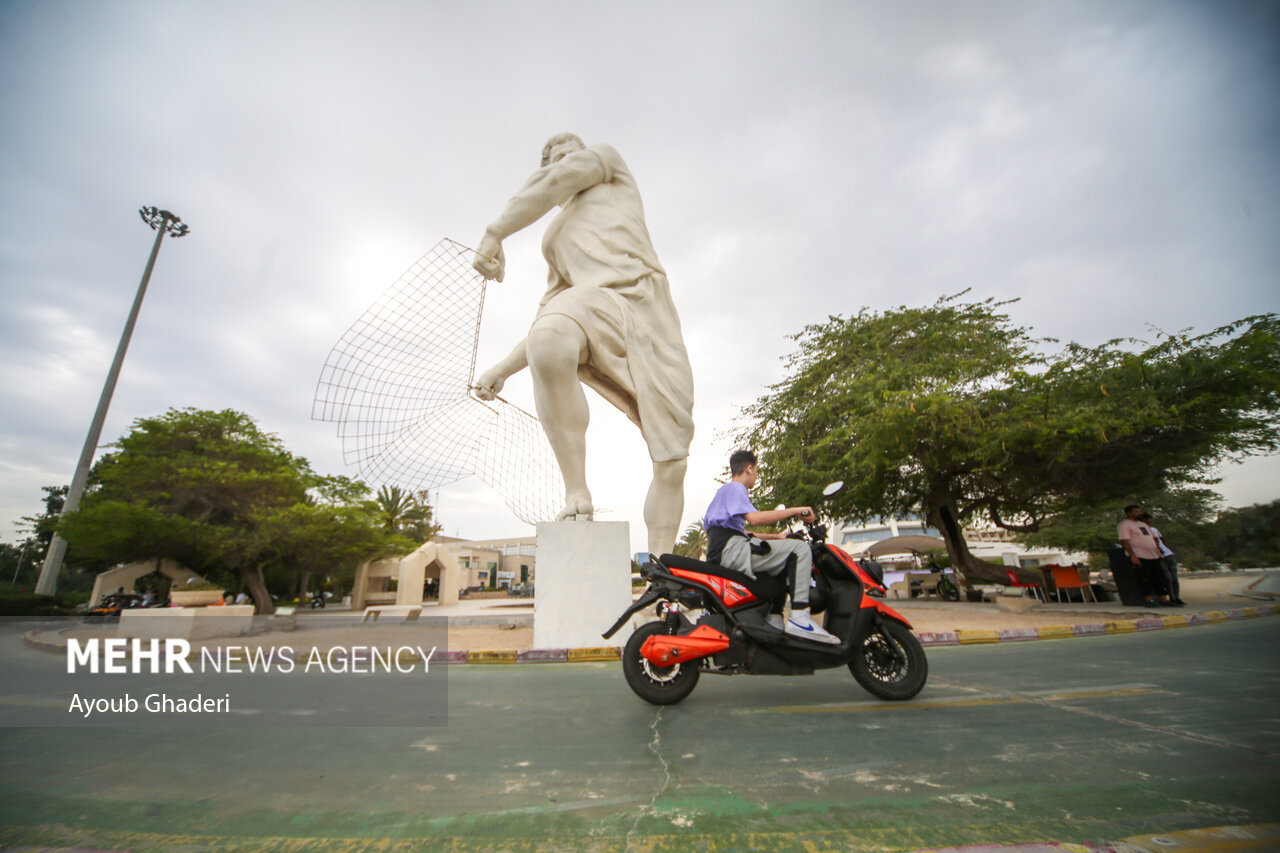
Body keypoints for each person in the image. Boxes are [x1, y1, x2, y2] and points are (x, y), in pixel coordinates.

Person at [472, 134, 695, 556]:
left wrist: (495, 232)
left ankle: (663, 571)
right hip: (596, 303)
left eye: (569, 156)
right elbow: (549, 317)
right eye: (552, 160)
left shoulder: (608, 165)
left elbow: (560, 179)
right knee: (550, 338)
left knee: (672, 459)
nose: (562, 164)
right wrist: (502, 368)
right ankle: (578, 493)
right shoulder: (552, 239)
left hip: (647, 312)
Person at [703, 450, 840, 644]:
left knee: (779, 565)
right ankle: (800, 619)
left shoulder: (724, 494)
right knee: (800, 550)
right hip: (732, 550)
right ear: (749, 469)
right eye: (757, 470)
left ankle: (774, 621)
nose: (756, 476)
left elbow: (744, 534)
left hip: (728, 548)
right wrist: (796, 511)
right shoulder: (735, 488)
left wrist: (777, 537)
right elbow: (755, 519)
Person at [1117, 504, 1171, 607]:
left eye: (1140, 511)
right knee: (1145, 578)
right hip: (1140, 555)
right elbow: (1125, 541)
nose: (1140, 513)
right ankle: (1149, 600)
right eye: (1137, 512)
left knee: (1159, 577)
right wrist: (1132, 555)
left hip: (1154, 555)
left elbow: (1154, 537)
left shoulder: (1143, 524)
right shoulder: (1125, 525)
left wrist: (1158, 549)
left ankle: (1163, 599)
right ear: (1130, 513)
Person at [1142, 513, 1184, 606]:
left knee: (1174, 578)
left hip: (1167, 554)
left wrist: (1163, 547)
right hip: (1159, 556)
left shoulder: (1154, 530)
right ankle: (1171, 597)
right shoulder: (1143, 531)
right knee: (1167, 578)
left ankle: (1176, 597)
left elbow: (1161, 539)